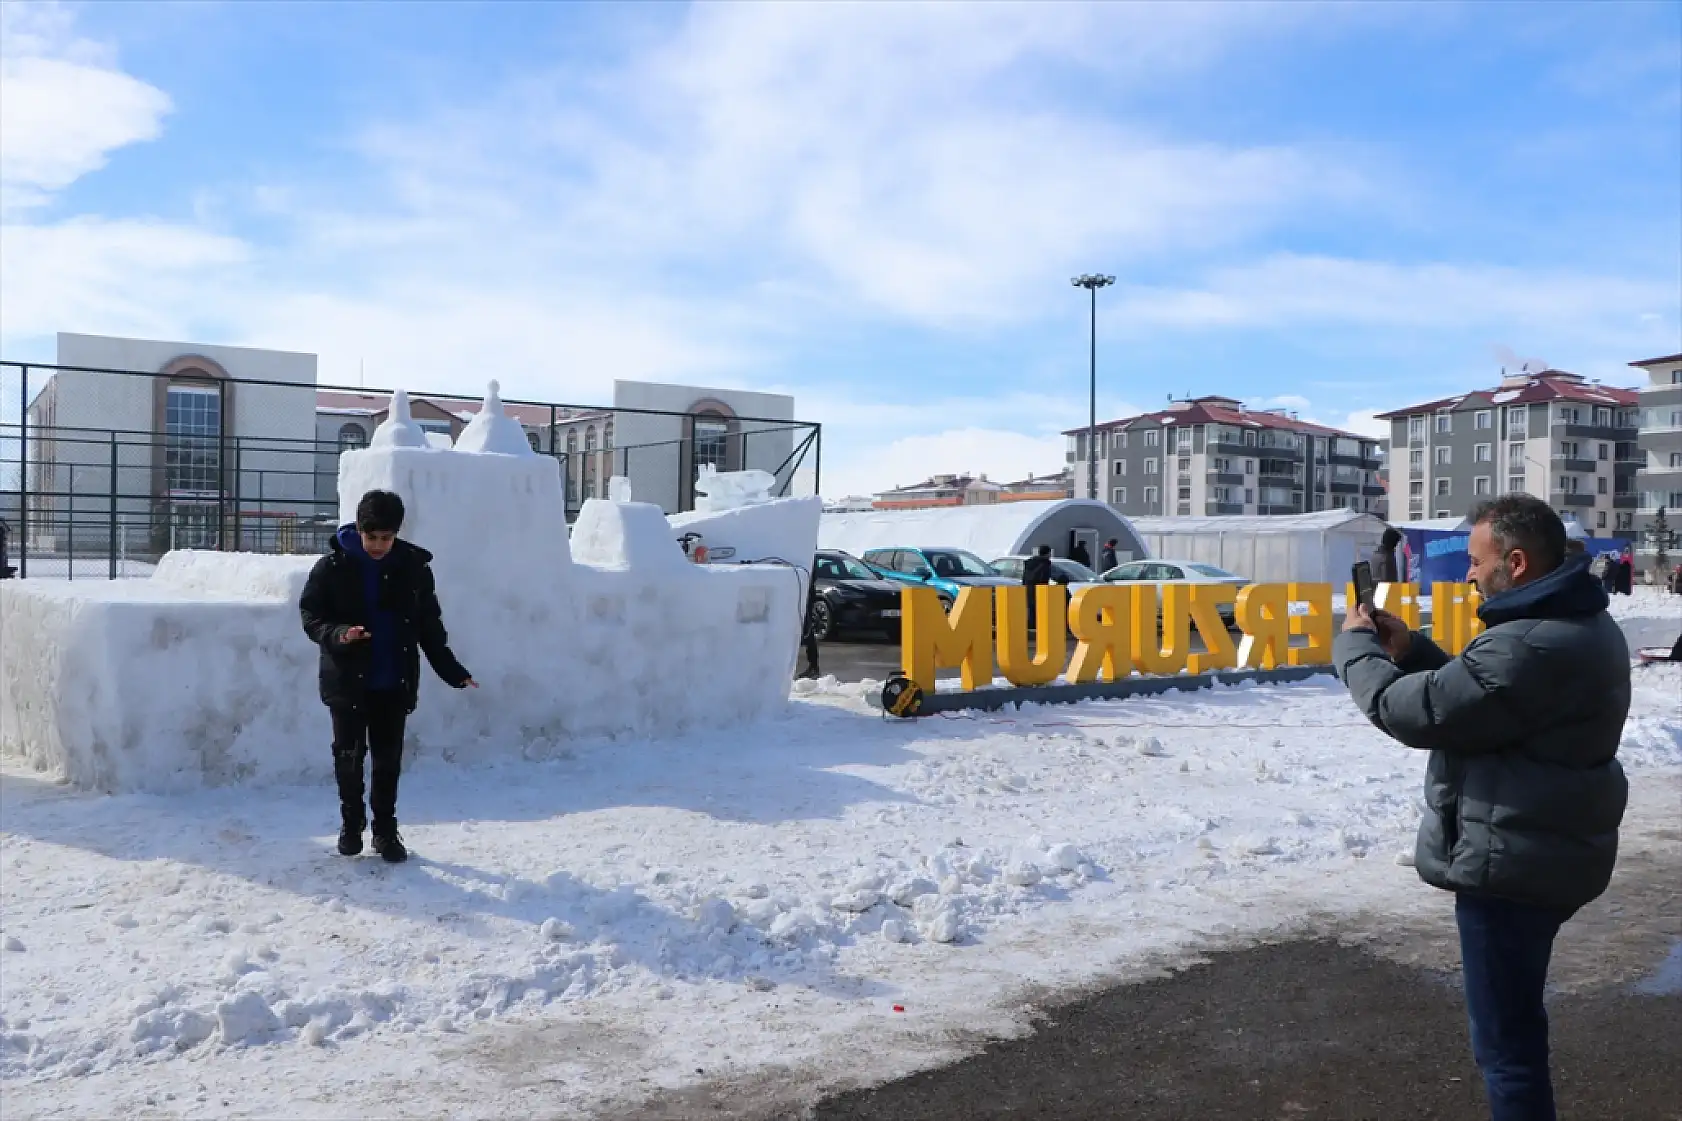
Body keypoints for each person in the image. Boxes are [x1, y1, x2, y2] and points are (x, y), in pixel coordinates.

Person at [1333, 494, 1628, 1121]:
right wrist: (1411, 650)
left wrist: (1355, 649)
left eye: (1475, 560)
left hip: (1514, 863)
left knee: (1507, 1046)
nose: (1467, 572)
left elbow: (1410, 711)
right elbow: (1489, 701)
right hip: (1547, 846)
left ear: (1515, 564)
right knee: (1516, 1023)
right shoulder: (1573, 623)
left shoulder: (1525, 644)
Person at [299, 490, 477, 863]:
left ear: (396, 533)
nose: (378, 545)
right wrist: (340, 634)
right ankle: (351, 825)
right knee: (348, 756)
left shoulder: (413, 569)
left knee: (387, 760)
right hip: (346, 681)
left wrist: (452, 671)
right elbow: (312, 617)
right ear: (360, 530)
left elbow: (429, 626)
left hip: (393, 680)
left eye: (386, 537)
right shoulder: (331, 568)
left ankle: (384, 830)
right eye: (371, 537)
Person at [1022, 544, 1053, 629]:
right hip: (1040, 589)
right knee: (1040, 608)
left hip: (1028, 588)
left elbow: (1024, 577)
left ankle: (1032, 626)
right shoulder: (1045, 563)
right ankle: (1039, 626)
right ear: (1048, 553)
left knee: (1031, 608)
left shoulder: (1029, 562)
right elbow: (1044, 578)